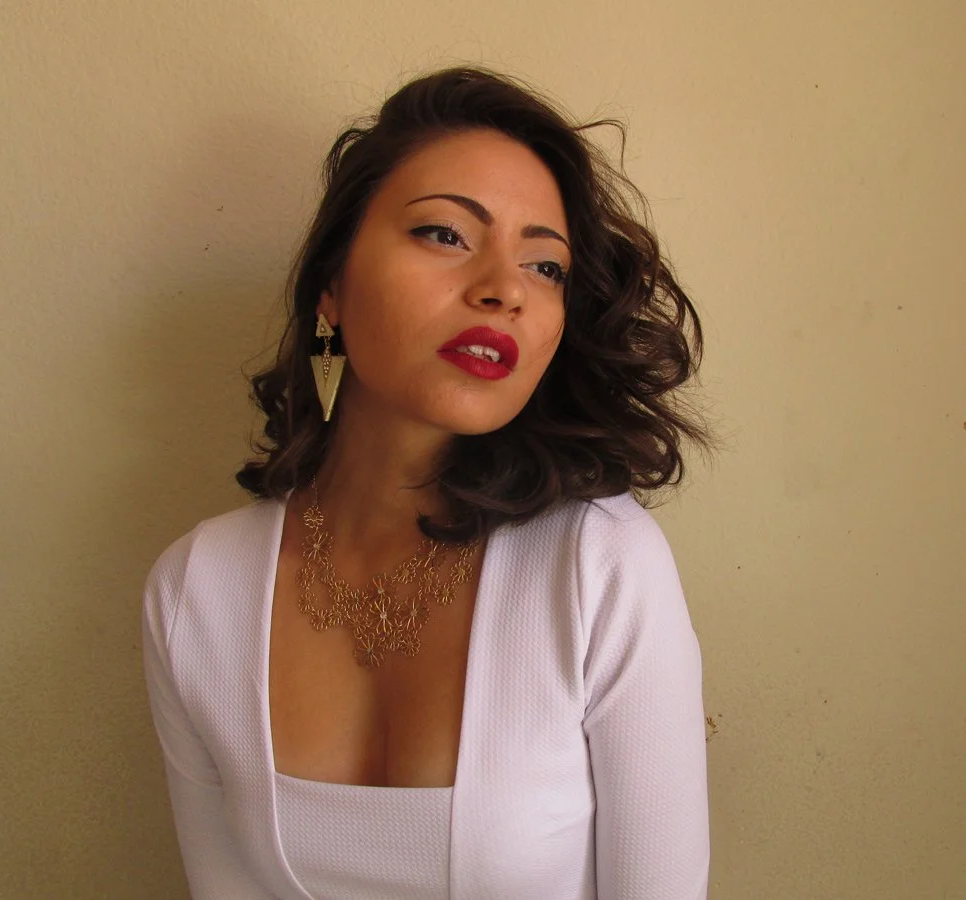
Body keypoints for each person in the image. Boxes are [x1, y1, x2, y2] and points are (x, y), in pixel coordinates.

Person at [142, 65, 711, 900]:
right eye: (446, 234)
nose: (503, 290)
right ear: (331, 288)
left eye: (546, 268)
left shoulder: (600, 568)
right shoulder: (196, 591)